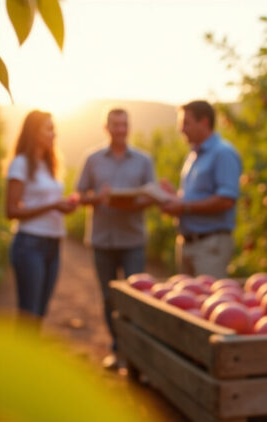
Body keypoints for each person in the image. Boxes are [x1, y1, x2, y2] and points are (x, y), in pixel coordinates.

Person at [76, 108, 155, 369]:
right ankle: (118, 349)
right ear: (106, 127)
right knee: (108, 298)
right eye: (115, 125)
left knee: (135, 299)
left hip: (133, 240)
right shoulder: (92, 159)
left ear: (128, 127)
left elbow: (151, 196)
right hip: (103, 240)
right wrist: (97, 198)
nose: (120, 129)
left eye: (124, 124)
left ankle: (136, 356)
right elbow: (80, 195)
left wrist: (134, 202)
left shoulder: (144, 160)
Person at [5, 110, 78, 319]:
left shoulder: (49, 165)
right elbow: (11, 210)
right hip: (30, 244)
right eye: (49, 129)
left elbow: (48, 203)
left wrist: (65, 205)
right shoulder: (20, 163)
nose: (54, 134)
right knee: (29, 315)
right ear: (34, 132)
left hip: (53, 243)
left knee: (40, 313)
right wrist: (53, 205)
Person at [160, 100, 242, 279]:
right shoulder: (193, 156)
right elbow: (193, 197)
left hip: (210, 245)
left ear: (204, 122)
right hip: (187, 243)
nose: (181, 129)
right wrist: (173, 198)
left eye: (186, 123)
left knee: (208, 294)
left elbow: (226, 200)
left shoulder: (223, 153)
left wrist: (183, 207)